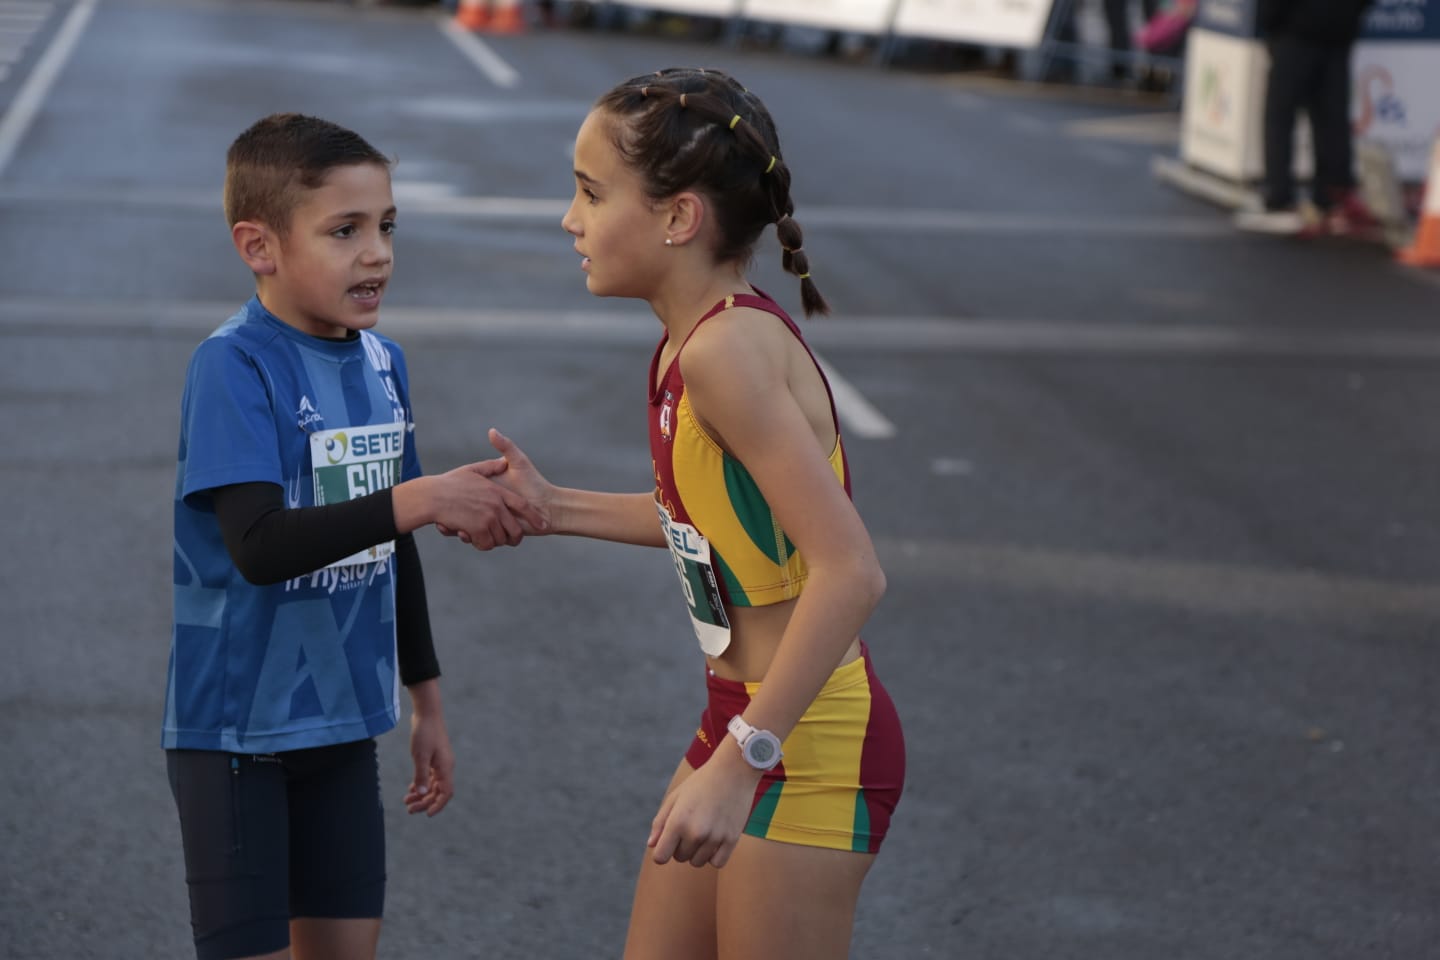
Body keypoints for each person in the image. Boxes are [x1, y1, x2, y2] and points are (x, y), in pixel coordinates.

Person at [460, 68, 906, 960]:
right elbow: (707, 523)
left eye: (590, 192)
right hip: (743, 717)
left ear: (678, 218)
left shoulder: (726, 355)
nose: (569, 219)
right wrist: (552, 508)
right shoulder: (690, 342)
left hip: (803, 740)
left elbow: (851, 573)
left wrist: (745, 760)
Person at [162, 113, 545, 960]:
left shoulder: (383, 363)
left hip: (341, 731)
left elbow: (390, 545)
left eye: (386, 227)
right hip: (235, 741)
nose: (377, 253)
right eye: (345, 231)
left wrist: (427, 702)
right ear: (258, 246)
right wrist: (414, 499)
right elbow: (258, 546)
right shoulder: (233, 366)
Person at [1235, 0, 1375, 235]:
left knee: (1280, 117)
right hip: (1338, 33)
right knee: (1332, 118)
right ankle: (1332, 197)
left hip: (1295, 33)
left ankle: (1280, 199)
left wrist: (1269, 24)